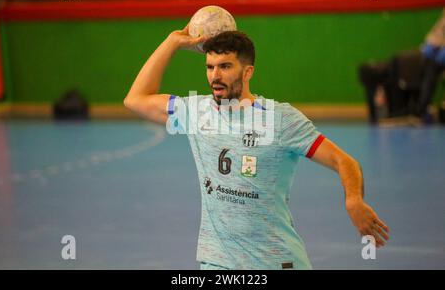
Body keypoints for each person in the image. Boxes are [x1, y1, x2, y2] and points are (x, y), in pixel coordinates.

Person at [124, 25, 390, 270]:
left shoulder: (280, 119)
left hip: (275, 260)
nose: (215, 76)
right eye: (210, 67)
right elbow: (135, 99)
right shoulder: (197, 112)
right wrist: (171, 43)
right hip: (218, 261)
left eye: (225, 66)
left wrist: (353, 199)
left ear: (247, 71)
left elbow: (343, 161)